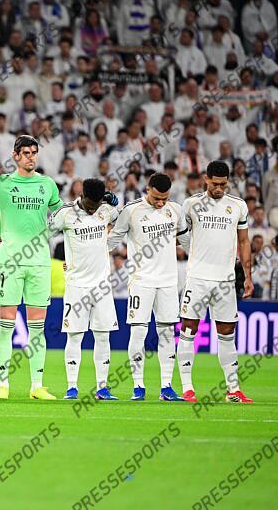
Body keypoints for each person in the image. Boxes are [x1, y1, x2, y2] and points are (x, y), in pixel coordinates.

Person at [0, 134, 63, 401]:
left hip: (39, 261)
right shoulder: (0, 184)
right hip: (10, 261)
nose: (30, 157)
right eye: (25, 153)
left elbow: (62, 216)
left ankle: (37, 386)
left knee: (37, 328)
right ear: (15, 156)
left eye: (33, 153)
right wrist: (1, 225)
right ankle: (2, 386)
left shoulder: (47, 184)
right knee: (5, 325)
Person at [176, 161, 254, 404]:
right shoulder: (191, 205)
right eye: (215, 184)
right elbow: (179, 235)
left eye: (223, 184)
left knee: (227, 333)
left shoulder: (238, 206)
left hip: (225, 280)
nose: (219, 188)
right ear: (206, 179)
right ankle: (187, 388)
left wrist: (248, 276)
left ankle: (233, 390)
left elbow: (244, 242)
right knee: (188, 330)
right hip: (197, 278)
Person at [107, 172, 187, 402]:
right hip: (141, 281)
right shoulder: (131, 211)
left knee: (167, 333)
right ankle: (138, 386)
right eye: (156, 198)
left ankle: (166, 386)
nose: (161, 203)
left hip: (168, 282)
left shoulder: (176, 210)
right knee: (139, 332)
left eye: (165, 199)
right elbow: (111, 241)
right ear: (148, 189)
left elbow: (187, 241)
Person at [48, 179, 120, 400]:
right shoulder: (65, 214)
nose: (93, 209)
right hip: (76, 286)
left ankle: (102, 387)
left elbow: (121, 217)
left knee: (103, 336)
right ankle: (72, 387)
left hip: (102, 286)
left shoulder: (105, 210)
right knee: (75, 336)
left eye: (97, 205)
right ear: (82, 195)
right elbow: (43, 233)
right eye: (90, 204)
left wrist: (114, 202)